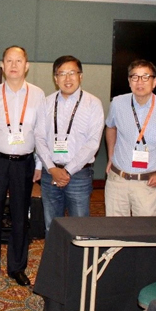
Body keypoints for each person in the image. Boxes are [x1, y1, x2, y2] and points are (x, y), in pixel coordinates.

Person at [0, 45, 46, 288]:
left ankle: (17, 267)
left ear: (27, 66)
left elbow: (41, 133)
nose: (14, 65)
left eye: (18, 61)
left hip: (24, 163)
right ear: (2, 66)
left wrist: (39, 163)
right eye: (9, 61)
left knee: (20, 217)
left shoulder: (38, 95)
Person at [36, 55, 104, 234]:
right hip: (50, 174)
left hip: (79, 175)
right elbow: (39, 137)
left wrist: (67, 171)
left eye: (72, 73)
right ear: (55, 78)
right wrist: (52, 168)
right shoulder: (46, 103)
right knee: (52, 227)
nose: (67, 78)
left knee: (80, 229)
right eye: (62, 74)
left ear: (80, 76)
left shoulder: (93, 104)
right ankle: (55, 255)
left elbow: (92, 143)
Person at [104, 59, 156, 217]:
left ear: (154, 82)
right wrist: (111, 156)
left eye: (145, 77)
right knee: (114, 228)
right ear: (129, 81)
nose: (140, 82)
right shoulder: (117, 103)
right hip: (117, 180)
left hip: (147, 183)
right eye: (135, 77)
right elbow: (110, 127)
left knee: (143, 229)